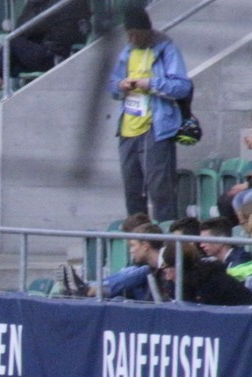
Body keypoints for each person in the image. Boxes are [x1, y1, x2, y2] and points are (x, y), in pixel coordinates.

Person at [108, 6, 191, 223]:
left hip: (156, 127)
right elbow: (111, 86)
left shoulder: (165, 49)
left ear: (148, 31)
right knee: (132, 190)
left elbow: (182, 86)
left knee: (160, 189)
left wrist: (150, 84)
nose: (133, 38)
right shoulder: (126, 52)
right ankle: (138, 242)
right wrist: (121, 85)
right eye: (129, 34)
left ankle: (166, 243)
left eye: (137, 33)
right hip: (128, 127)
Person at [5, 0, 90, 76]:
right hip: (64, 50)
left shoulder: (53, 5)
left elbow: (25, 30)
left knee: (13, 41)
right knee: (11, 55)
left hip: (53, 55)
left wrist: (32, 5)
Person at [158, 241, 252, 305]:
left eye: (166, 267)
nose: (167, 277)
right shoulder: (188, 284)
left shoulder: (211, 283)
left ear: (179, 267)